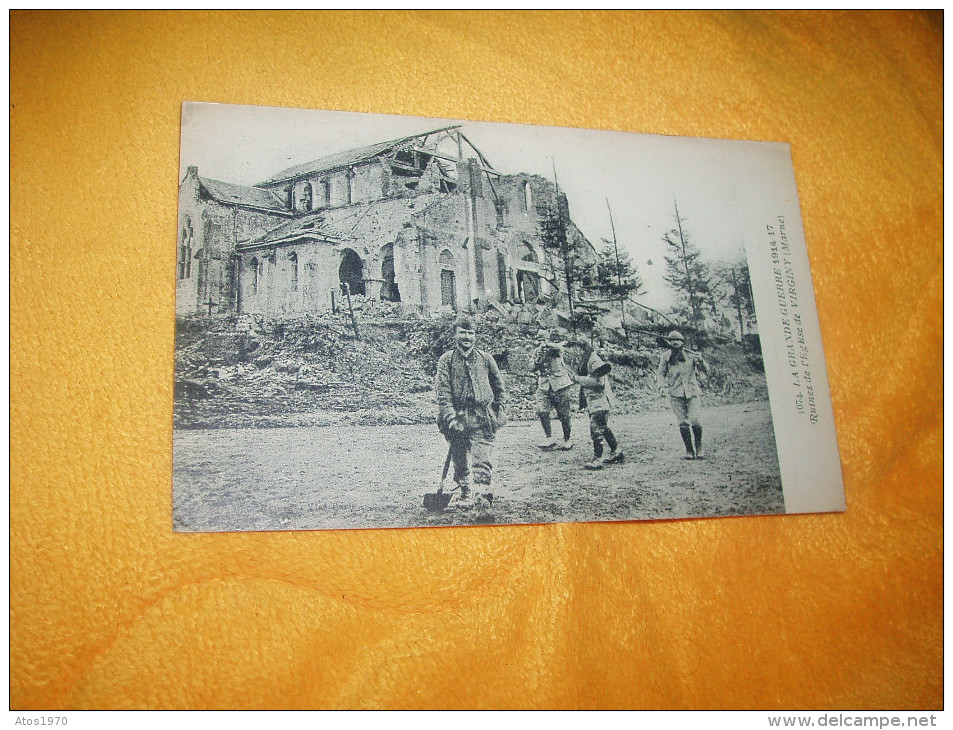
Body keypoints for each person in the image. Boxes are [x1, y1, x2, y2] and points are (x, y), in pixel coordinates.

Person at [435, 317, 506, 501]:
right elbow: (443, 393)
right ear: (455, 335)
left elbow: (499, 387)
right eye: (463, 332)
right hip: (456, 418)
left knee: (481, 459)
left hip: (482, 417)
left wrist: (500, 410)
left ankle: (482, 497)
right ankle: (465, 489)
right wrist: (451, 418)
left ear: (475, 336)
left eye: (470, 333)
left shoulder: (486, 359)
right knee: (459, 458)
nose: (467, 337)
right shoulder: (446, 360)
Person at [569, 338, 624, 470]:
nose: (575, 351)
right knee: (603, 427)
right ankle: (616, 451)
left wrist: (578, 379)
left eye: (577, 348)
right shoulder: (586, 359)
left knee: (596, 428)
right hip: (594, 400)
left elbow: (599, 382)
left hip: (600, 399)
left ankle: (598, 459)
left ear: (583, 348)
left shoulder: (594, 360)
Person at [656, 329, 709, 459]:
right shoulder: (666, 356)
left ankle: (699, 447)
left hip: (692, 392)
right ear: (669, 342)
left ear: (682, 342)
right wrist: (662, 387)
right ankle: (689, 451)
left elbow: (706, 370)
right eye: (672, 340)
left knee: (696, 421)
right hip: (675, 393)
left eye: (678, 340)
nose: (675, 342)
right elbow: (660, 373)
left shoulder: (691, 355)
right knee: (683, 423)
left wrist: (701, 361)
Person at [531, 328, 574, 450]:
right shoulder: (537, 352)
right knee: (542, 411)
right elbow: (531, 367)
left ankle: (567, 439)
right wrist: (537, 359)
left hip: (560, 384)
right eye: (539, 340)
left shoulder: (556, 349)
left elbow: (560, 348)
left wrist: (547, 345)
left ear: (548, 339)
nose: (542, 343)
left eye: (544, 339)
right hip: (544, 385)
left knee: (563, 414)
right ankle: (549, 438)